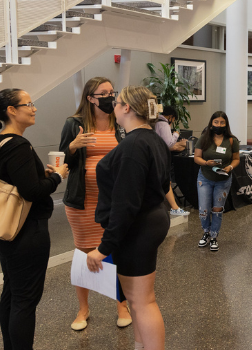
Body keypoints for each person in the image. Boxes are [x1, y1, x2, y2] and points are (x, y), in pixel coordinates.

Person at [86, 86, 172, 350]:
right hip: (150, 220)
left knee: (141, 300)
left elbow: (126, 204)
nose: (113, 104)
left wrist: (103, 248)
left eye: (117, 101)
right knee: (138, 300)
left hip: (139, 227)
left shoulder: (134, 144)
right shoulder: (152, 138)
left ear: (127, 108)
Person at [0, 88, 68, 350]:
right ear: (11, 111)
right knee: (25, 300)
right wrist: (57, 176)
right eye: (28, 104)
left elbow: (15, 181)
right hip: (27, 231)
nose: (34, 108)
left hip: (7, 231)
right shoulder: (18, 145)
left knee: (12, 292)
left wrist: (37, 173)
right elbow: (32, 192)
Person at [59, 77, 132, 331]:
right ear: (90, 98)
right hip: (83, 201)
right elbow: (60, 161)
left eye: (112, 92)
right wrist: (72, 146)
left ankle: (121, 305)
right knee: (83, 254)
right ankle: (83, 308)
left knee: (116, 251)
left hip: (114, 202)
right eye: (104, 93)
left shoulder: (120, 122)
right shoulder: (75, 123)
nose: (110, 96)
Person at [194, 111, 240, 252]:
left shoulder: (232, 140)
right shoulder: (204, 138)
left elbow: (236, 159)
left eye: (222, 122)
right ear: (211, 123)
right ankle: (206, 233)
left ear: (226, 124)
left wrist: (230, 167)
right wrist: (206, 163)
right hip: (205, 178)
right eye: (216, 122)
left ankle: (214, 236)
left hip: (223, 180)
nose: (219, 125)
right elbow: (196, 157)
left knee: (217, 210)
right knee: (204, 209)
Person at [153, 106, 191, 217]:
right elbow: (169, 144)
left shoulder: (155, 122)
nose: (173, 121)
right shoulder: (163, 124)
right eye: (174, 119)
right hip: (161, 157)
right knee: (166, 181)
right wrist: (176, 135)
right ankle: (174, 208)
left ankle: (173, 207)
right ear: (171, 117)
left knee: (165, 181)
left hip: (157, 155)